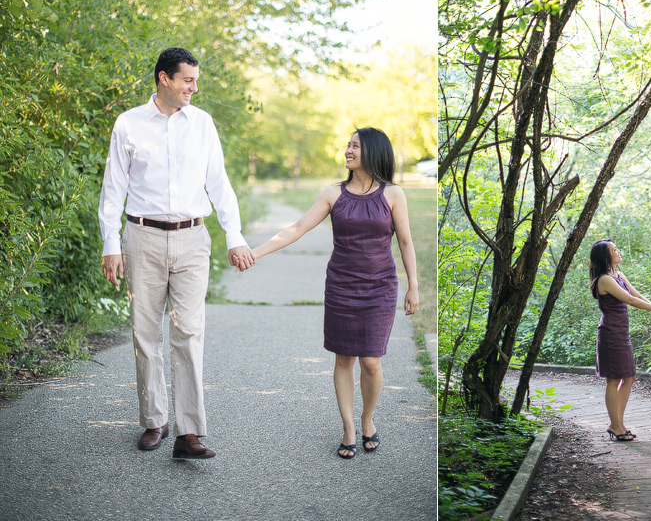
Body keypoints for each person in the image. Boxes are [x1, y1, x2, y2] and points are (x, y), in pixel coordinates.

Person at [98, 47, 255, 459]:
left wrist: (234, 235)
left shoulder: (202, 123)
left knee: (188, 331)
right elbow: (113, 188)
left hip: (192, 239)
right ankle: (155, 420)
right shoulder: (128, 124)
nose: (194, 87)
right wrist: (110, 243)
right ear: (164, 78)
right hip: (142, 237)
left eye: (195, 81)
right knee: (144, 333)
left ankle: (189, 432)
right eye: (187, 80)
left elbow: (219, 183)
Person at [242, 127, 419, 459]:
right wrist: (255, 252)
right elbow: (296, 229)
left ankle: (368, 418)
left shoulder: (393, 194)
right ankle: (349, 427)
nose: (348, 150)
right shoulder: (332, 194)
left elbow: (406, 242)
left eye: (355, 146)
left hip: (380, 287)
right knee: (344, 358)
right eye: (348, 145)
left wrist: (413, 286)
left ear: (373, 151)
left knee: (371, 362)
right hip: (341, 286)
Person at [590, 239, 651, 441]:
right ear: (605, 256)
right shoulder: (604, 280)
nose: (618, 252)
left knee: (629, 377)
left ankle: (618, 422)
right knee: (614, 379)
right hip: (610, 334)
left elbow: (636, 294)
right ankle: (615, 425)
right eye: (614, 250)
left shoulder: (618, 275)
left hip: (621, 333)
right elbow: (630, 300)